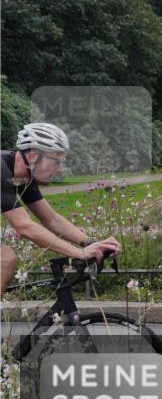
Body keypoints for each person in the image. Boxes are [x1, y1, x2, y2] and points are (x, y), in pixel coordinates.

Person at [1, 122, 121, 296]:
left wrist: (91, 243)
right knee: (5, 258)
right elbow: (24, 226)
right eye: (56, 161)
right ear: (33, 157)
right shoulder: (1, 170)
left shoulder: (23, 176)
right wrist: (79, 253)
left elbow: (51, 219)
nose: (61, 168)